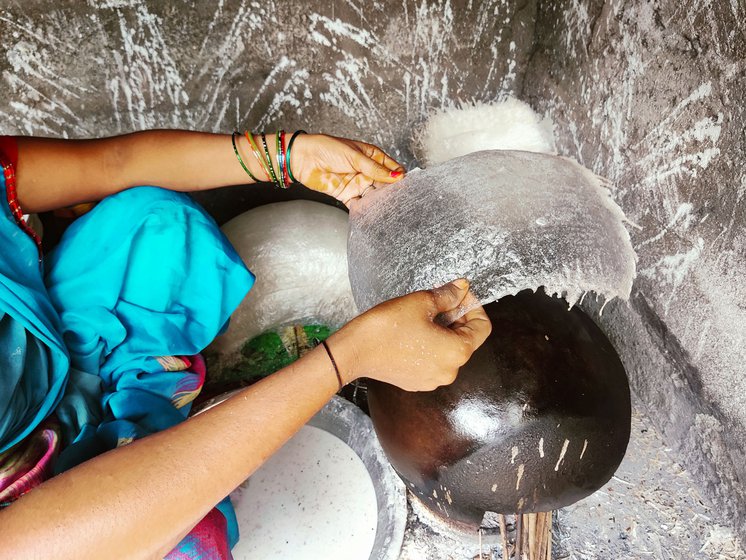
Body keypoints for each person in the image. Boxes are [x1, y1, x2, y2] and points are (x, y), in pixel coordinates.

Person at [0, 130, 491, 559]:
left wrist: (287, 156)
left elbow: (110, 164)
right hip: (40, 523)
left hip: (43, 362)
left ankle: (142, 411)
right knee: (192, 540)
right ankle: (142, 447)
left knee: (160, 227)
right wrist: (349, 357)